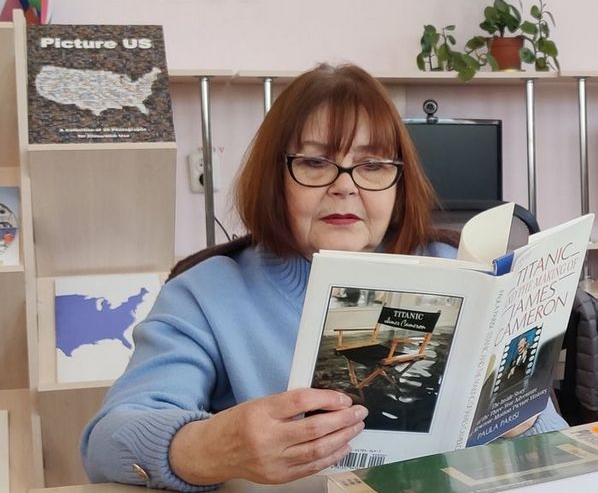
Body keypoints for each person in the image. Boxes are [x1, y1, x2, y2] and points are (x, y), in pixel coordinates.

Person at [81, 63, 566, 491]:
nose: (345, 186)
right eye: (314, 163)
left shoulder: (462, 270)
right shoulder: (206, 293)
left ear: (399, 181)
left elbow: (557, 445)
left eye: (372, 165)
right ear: (275, 178)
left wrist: (517, 420)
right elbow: (106, 443)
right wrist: (213, 446)